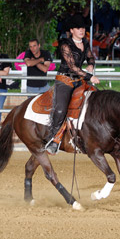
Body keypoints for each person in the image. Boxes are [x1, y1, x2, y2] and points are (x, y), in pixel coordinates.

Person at [46, 14, 100, 155]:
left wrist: (91, 65)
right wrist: (90, 76)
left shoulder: (85, 42)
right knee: (61, 109)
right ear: (72, 30)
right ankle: (54, 139)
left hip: (79, 80)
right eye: (78, 28)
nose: (81, 30)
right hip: (65, 80)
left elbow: (90, 56)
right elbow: (72, 66)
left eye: (82, 27)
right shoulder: (65, 44)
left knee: (97, 99)